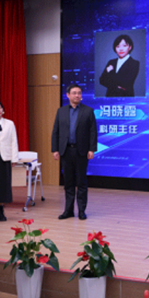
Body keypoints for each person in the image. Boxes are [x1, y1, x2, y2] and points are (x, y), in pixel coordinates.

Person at [51, 85, 97, 220]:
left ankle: (82, 211)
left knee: (81, 182)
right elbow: (56, 131)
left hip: (81, 151)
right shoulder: (61, 111)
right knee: (68, 182)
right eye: (74, 93)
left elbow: (93, 131)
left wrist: (92, 149)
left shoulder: (88, 111)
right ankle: (68, 210)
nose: (77, 95)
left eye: (79, 93)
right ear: (68, 95)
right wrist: (55, 149)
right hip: (66, 151)